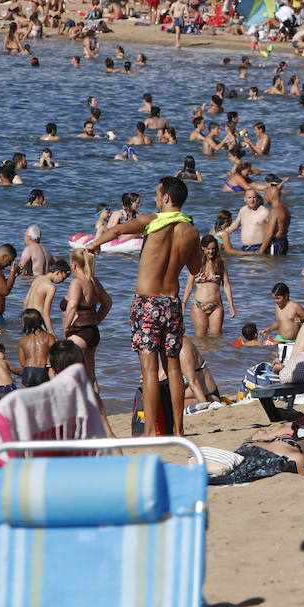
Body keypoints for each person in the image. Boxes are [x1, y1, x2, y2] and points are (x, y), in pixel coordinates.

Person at [87, 176, 203, 437]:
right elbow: (196, 269)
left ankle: (151, 431)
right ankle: (179, 430)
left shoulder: (151, 221)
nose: (154, 199)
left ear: (166, 198)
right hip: (172, 304)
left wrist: (93, 245)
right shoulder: (192, 232)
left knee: (150, 370)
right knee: (173, 368)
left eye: (157, 194)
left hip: (148, 303)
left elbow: (117, 231)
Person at [63, 247, 112, 380]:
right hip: (93, 332)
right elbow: (108, 303)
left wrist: (66, 327)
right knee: (91, 375)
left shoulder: (77, 283)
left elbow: (72, 306)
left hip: (78, 332)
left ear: (74, 264)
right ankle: (95, 399)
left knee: (73, 376)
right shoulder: (94, 282)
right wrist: (96, 320)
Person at [183, 235, 236, 336]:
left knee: (216, 338)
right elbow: (189, 286)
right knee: (200, 337)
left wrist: (231, 305)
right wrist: (183, 303)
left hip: (216, 306)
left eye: (213, 249)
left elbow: (226, 286)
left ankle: (215, 353)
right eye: (208, 249)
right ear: (202, 248)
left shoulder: (220, 264)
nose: (211, 252)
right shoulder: (196, 264)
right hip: (199, 305)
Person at [21, 258, 68, 333]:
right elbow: (45, 313)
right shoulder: (51, 287)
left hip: (27, 316)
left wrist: (24, 319)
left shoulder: (38, 279)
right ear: (57, 273)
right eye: (63, 278)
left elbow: (25, 301)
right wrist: (52, 334)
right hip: (37, 318)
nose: (62, 281)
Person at [17, 308, 56, 387]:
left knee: (26, 398)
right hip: (43, 370)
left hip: (28, 370)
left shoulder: (22, 340)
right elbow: (53, 358)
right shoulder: (49, 337)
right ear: (40, 320)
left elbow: (22, 363)